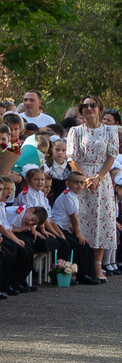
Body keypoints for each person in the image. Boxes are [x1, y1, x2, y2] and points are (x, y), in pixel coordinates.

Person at [67, 97, 115, 284]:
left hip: (101, 180)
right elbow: (72, 157)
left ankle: (98, 266)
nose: (89, 108)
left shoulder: (109, 131)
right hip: (81, 179)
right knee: (81, 219)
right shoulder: (76, 131)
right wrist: (84, 178)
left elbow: (111, 156)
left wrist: (99, 178)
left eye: (92, 105)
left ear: (99, 108)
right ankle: (79, 266)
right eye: (85, 106)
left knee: (101, 221)